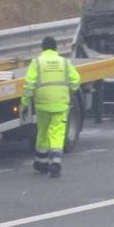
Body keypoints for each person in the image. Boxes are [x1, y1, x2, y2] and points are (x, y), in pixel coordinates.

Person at [23, 36, 80, 178]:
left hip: (42, 104)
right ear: (56, 48)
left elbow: (29, 84)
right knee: (57, 132)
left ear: (42, 48)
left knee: (42, 131)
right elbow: (76, 81)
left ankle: (40, 162)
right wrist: (70, 92)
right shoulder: (65, 63)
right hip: (61, 103)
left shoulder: (37, 63)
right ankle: (55, 163)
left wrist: (25, 103)